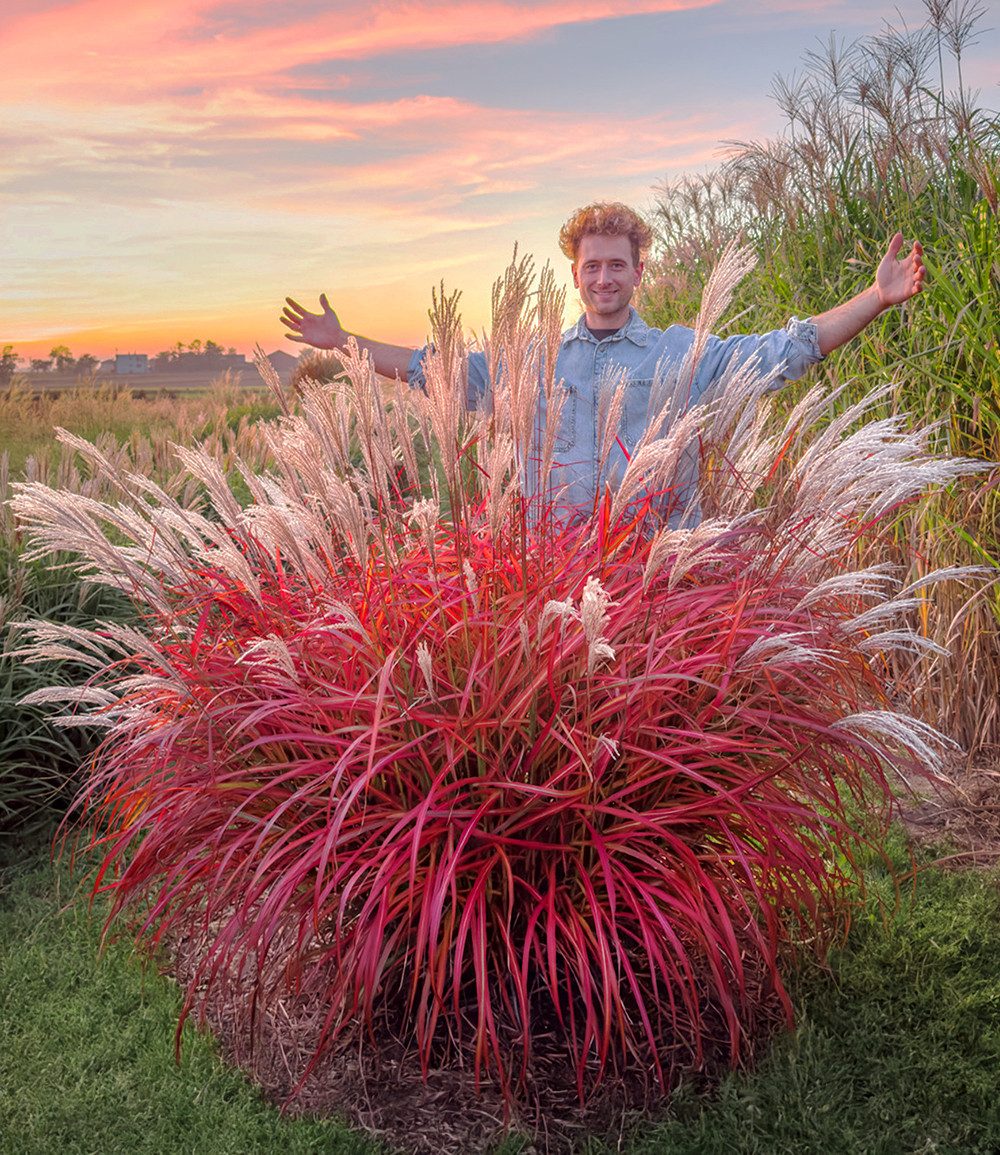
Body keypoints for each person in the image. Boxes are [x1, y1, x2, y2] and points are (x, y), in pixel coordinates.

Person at [281, 202, 924, 514]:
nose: (605, 277)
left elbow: (787, 350)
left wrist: (875, 296)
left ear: (638, 271)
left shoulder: (683, 352)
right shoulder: (528, 360)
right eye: (593, 265)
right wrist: (345, 342)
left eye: (618, 264)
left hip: (658, 584)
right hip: (557, 589)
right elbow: (435, 369)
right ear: (575, 274)